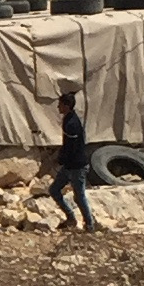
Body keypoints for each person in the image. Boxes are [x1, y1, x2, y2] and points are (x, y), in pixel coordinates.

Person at [49, 89, 97, 231]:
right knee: (54, 190)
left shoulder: (72, 124)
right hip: (70, 166)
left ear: (67, 106)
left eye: (60, 104)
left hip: (77, 167)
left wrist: (61, 158)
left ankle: (89, 225)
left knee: (79, 196)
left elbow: (72, 147)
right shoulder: (68, 120)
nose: (58, 107)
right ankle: (70, 217)